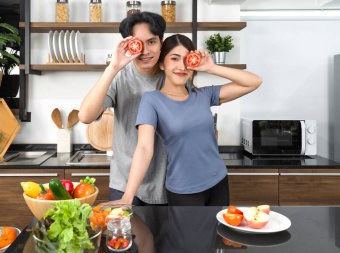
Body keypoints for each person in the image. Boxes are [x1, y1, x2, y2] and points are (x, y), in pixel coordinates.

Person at [117, 34, 262, 206]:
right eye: (174, 58)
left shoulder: (204, 95)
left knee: (217, 233)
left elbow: (254, 82)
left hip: (218, 182)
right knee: (188, 234)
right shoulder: (152, 100)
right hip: (183, 190)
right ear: (162, 64)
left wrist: (211, 67)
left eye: (187, 60)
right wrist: (128, 196)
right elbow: (144, 148)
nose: (182, 66)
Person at [78, 12, 168, 205]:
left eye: (151, 42)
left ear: (162, 42)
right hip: (125, 185)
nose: (145, 51)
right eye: (138, 44)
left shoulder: (174, 76)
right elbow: (85, 116)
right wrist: (113, 67)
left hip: (169, 184)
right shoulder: (120, 76)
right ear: (128, 45)